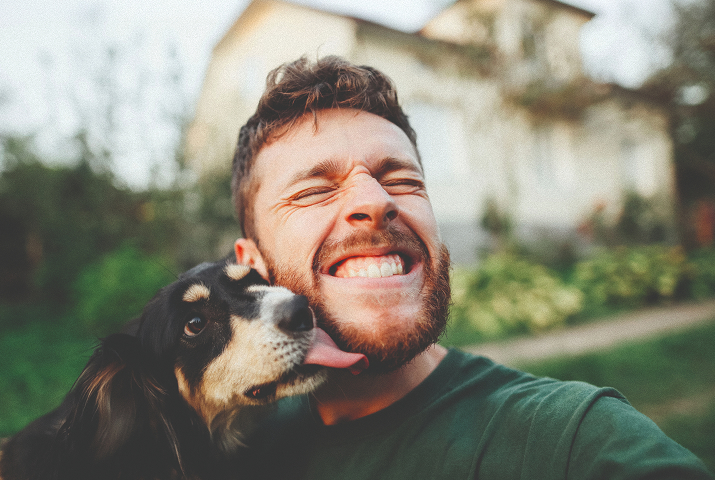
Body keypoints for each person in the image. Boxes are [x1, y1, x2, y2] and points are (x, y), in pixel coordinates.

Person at [230, 55, 713, 479]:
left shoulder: (570, 441)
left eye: (402, 180)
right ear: (251, 268)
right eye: (314, 190)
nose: (376, 201)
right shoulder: (233, 445)